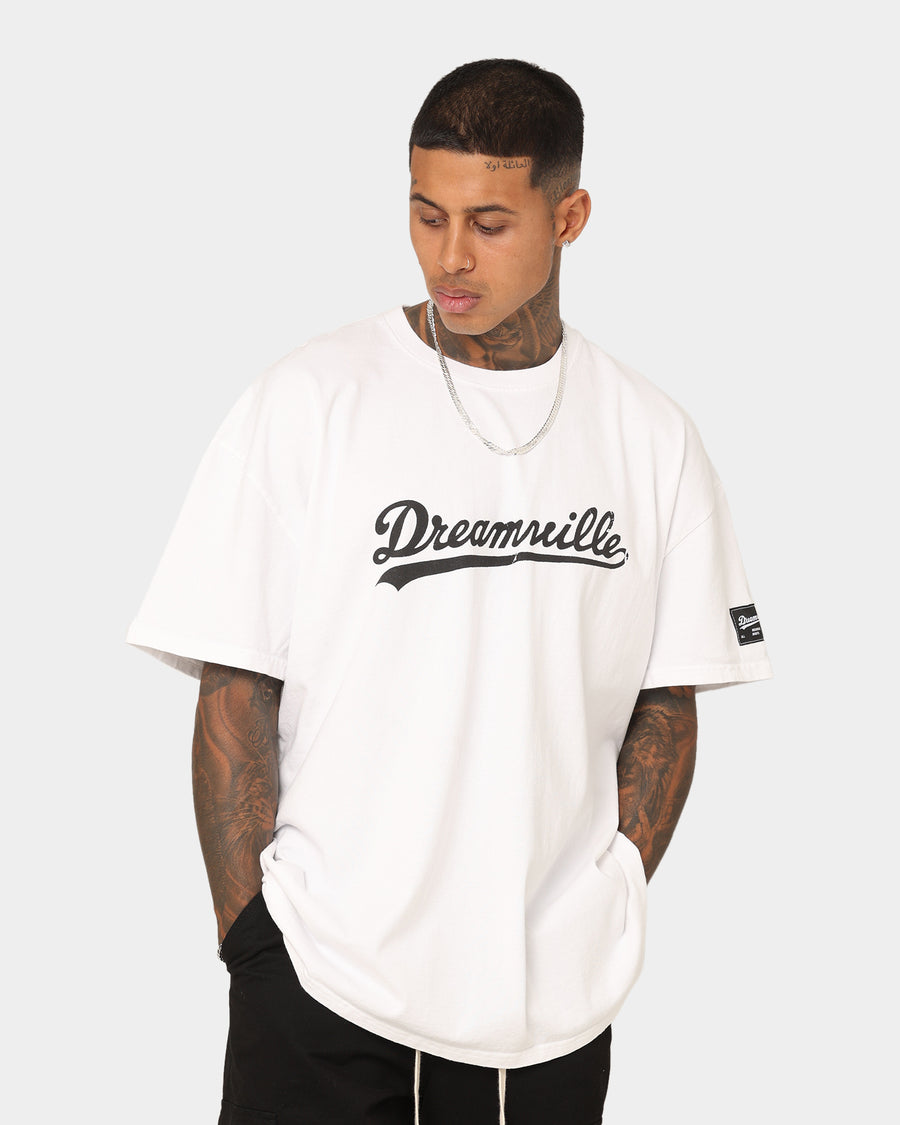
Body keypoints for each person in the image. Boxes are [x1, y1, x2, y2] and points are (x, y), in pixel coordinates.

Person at [128, 58, 772, 1125]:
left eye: (489, 223)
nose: (449, 256)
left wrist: (606, 894)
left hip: (548, 1015)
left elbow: (670, 696)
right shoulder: (310, 402)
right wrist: (255, 946)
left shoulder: (650, 438)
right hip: (323, 987)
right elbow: (235, 682)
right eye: (427, 216)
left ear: (570, 217)